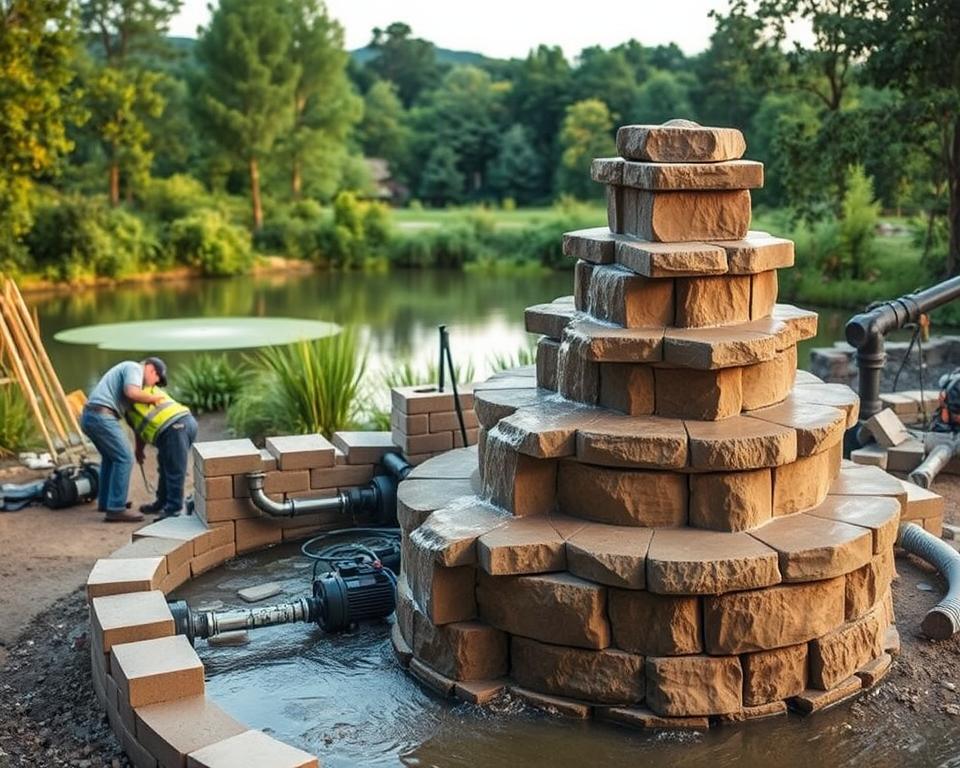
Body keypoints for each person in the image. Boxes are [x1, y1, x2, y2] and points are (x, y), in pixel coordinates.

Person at [80, 358, 166, 522]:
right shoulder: (134, 368)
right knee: (124, 458)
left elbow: (133, 424)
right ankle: (116, 509)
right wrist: (155, 399)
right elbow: (132, 393)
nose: (154, 386)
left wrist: (139, 449)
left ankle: (106, 503)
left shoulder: (130, 379)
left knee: (111, 458)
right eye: (157, 380)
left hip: (91, 416)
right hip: (101, 416)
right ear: (151, 369)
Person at [126, 379, 197, 519]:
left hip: (177, 426)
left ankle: (173, 510)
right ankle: (163, 502)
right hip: (171, 429)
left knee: (175, 470)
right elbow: (138, 429)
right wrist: (139, 451)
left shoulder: (139, 392)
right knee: (165, 466)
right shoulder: (130, 405)